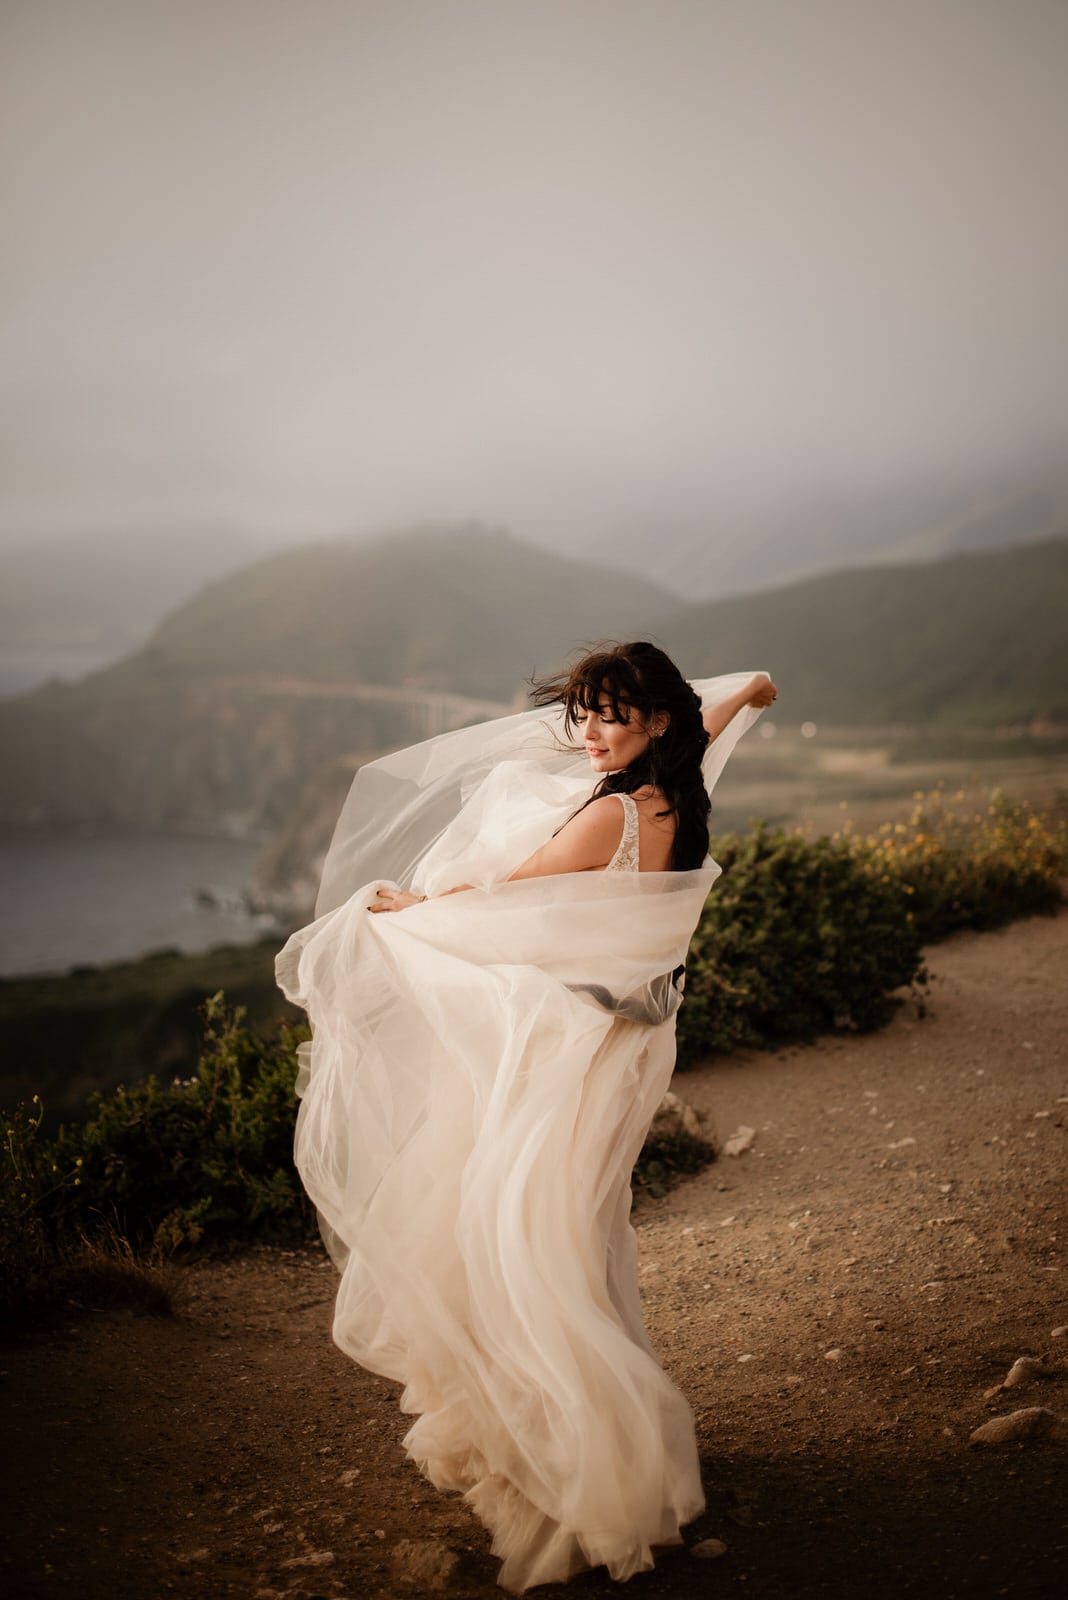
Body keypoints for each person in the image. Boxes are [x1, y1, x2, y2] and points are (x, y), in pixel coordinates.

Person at [276, 643, 776, 1592]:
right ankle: (597, 1442)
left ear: (656, 722)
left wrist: (400, 908)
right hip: (627, 1045)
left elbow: (499, 898)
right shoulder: (675, 793)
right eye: (582, 714)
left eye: (610, 716)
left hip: (568, 1052)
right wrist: (745, 689)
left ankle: (574, 1467)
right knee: (568, 1233)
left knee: (514, 1237)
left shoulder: (613, 816)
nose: (589, 734)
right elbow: (723, 714)